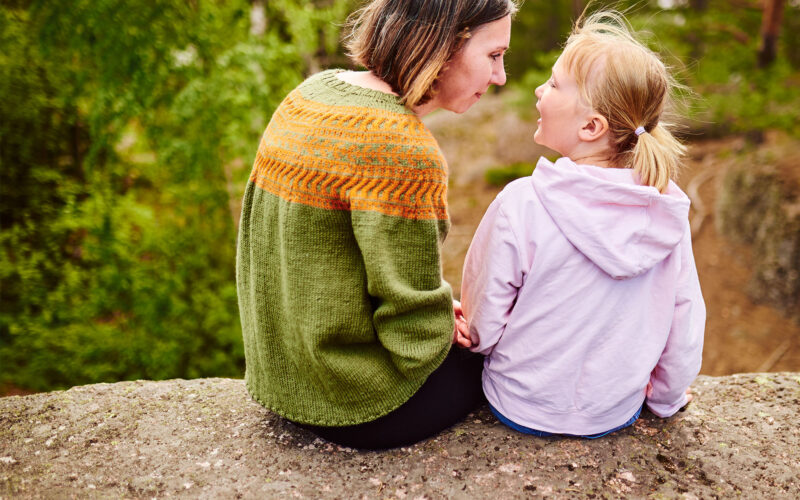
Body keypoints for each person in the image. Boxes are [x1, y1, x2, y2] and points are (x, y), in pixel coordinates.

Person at [236, 0, 518, 450]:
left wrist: (436, 308)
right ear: (444, 45)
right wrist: (440, 325)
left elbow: (325, 261)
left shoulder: (310, 95)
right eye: (494, 55)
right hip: (356, 403)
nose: (500, 76)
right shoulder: (402, 149)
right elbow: (414, 336)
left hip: (282, 380)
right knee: (508, 357)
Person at [459, 10, 706, 438]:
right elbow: (683, 319)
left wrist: (478, 339)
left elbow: (483, 316)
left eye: (554, 84)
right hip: (612, 412)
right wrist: (666, 400)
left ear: (591, 126)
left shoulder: (523, 202)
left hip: (518, 404)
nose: (539, 89)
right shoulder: (664, 211)